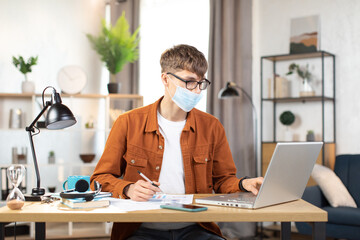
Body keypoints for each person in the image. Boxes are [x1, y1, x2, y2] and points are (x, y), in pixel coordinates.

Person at [91, 44, 264, 240]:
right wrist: (128, 188)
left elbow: (223, 180)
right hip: (141, 230)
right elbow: (99, 179)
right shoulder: (128, 122)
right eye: (189, 82)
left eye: (201, 83)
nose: (197, 90)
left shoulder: (212, 126)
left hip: (195, 228)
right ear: (166, 79)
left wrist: (243, 183)